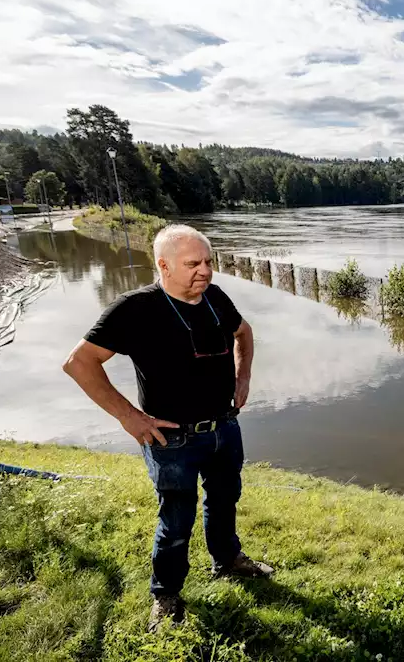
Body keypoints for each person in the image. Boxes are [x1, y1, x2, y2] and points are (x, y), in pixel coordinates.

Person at [62, 224, 273, 631]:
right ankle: (167, 594)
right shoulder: (136, 308)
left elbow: (243, 333)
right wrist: (129, 416)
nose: (205, 271)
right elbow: (79, 363)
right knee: (176, 519)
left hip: (224, 428)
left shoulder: (214, 298)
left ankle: (227, 559)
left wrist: (242, 376)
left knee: (225, 499)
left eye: (208, 262)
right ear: (163, 265)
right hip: (171, 438)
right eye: (193, 264)